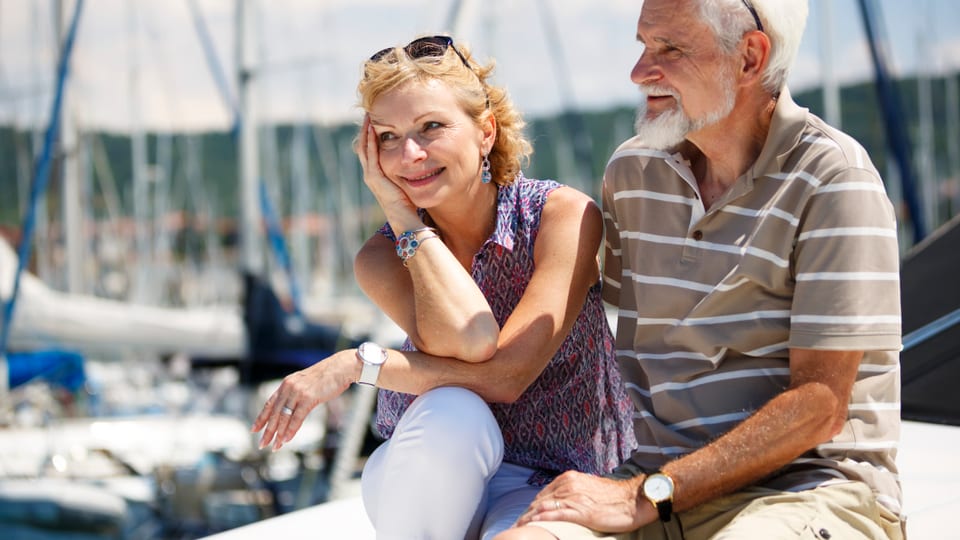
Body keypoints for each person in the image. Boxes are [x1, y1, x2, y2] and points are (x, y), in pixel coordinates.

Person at [496, 1, 904, 539]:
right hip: (649, 482)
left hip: (808, 491)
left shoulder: (833, 179)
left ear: (750, 58)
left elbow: (820, 407)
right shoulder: (633, 173)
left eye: (670, 49)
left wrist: (649, 495)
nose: (639, 72)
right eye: (644, 44)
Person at [251, 34, 636, 540]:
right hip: (426, 471)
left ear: (485, 132)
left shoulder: (559, 216)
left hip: (558, 478)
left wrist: (356, 364)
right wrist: (403, 218)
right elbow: (469, 341)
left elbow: (505, 376)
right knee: (457, 413)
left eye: (430, 127)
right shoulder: (382, 255)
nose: (409, 154)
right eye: (387, 136)